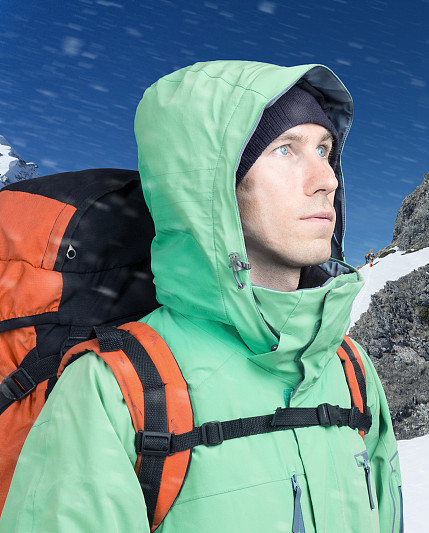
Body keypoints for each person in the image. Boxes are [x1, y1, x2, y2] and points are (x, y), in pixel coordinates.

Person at [0, 61, 403, 532]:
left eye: (324, 150)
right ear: (211, 185)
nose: (326, 179)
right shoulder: (114, 386)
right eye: (286, 150)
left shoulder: (350, 368)